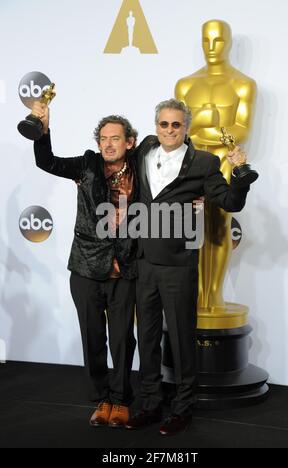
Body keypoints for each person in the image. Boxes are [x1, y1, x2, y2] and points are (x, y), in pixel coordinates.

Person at [125, 98, 257, 436]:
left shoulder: (203, 162)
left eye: (176, 125)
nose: (170, 130)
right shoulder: (142, 152)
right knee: (149, 338)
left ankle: (183, 408)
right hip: (144, 263)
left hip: (179, 265)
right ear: (157, 127)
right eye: (164, 124)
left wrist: (240, 173)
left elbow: (229, 201)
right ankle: (151, 403)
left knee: (183, 340)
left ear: (187, 128)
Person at [32, 101, 139, 428]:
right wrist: (43, 128)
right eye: (103, 138)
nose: (107, 144)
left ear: (129, 142)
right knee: (93, 337)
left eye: (115, 138)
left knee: (122, 338)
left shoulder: (142, 169)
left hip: (124, 269)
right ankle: (102, 399)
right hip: (86, 267)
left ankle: (121, 400)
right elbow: (46, 161)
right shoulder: (87, 166)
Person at [175, 19, 257, 309]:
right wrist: (215, 128)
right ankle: (197, 294)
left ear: (229, 42)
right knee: (192, 225)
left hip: (224, 160)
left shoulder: (243, 84)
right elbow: (178, 129)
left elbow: (242, 129)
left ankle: (213, 294)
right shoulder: (185, 84)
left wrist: (203, 127)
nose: (211, 47)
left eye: (218, 40)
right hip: (191, 160)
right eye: (206, 40)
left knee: (220, 225)